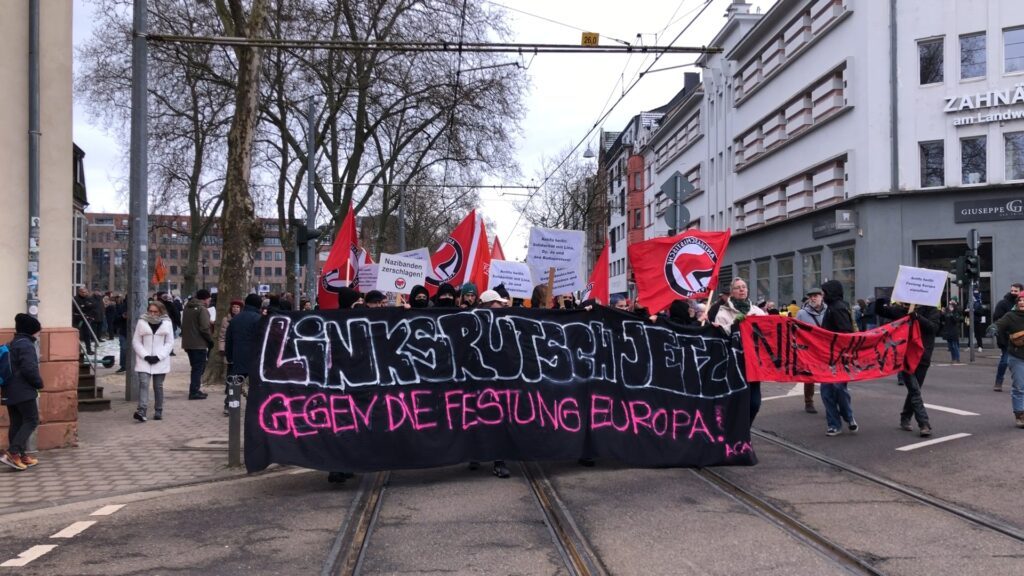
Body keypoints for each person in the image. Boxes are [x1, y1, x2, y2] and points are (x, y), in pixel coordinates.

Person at [882, 300, 939, 436]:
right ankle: (924, 424)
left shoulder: (931, 309)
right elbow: (881, 310)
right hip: (905, 357)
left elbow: (933, 328)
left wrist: (917, 317)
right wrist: (883, 299)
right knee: (914, 390)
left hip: (923, 357)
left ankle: (905, 417)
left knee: (915, 390)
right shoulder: (903, 310)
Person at [713, 278, 767, 423]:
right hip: (734, 364)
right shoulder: (723, 313)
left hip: (754, 363)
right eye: (737, 288)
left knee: (754, 404)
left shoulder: (757, 311)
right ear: (732, 292)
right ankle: (736, 434)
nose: (742, 289)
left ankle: (745, 431)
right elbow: (721, 337)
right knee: (736, 402)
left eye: (744, 287)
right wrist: (735, 324)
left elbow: (768, 334)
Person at [0, 314, 44, 471]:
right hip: (23, 390)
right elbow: (29, 368)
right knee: (31, 420)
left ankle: (21, 455)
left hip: (9, 390)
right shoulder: (26, 345)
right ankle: (13, 453)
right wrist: (39, 383)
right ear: (32, 331)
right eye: (38, 331)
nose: (39, 334)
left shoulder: (13, 343)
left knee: (17, 423)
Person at [819, 280, 858, 436]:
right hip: (829, 356)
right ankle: (834, 423)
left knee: (837, 388)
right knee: (827, 391)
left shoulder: (838, 308)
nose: (823, 295)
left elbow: (845, 333)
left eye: (824, 292)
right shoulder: (834, 307)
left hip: (838, 358)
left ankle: (847, 417)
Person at [131, 301, 174, 422]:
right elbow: (136, 341)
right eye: (150, 311)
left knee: (158, 386)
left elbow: (169, 342)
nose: (152, 314)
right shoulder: (142, 321)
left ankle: (158, 410)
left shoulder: (167, 323)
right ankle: (142, 410)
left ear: (161, 312)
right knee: (144, 384)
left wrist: (159, 356)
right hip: (144, 360)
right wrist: (145, 356)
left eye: (155, 311)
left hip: (160, 360)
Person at [225, 294, 263, 417]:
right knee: (255, 384)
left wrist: (229, 356)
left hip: (238, 355)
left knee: (236, 382)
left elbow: (229, 339)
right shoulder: (259, 319)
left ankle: (230, 405)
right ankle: (255, 407)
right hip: (255, 357)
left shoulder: (235, 319)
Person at [993, 291, 1024, 428]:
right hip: (1017, 357)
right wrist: (993, 328)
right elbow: (999, 324)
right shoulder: (1011, 316)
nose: (1022, 302)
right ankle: (1020, 415)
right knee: (1019, 386)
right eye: (1020, 300)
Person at [795, 287, 826, 414]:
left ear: (822, 296)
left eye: (816, 295)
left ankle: (829, 404)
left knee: (828, 376)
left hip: (825, 348)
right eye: (811, 296)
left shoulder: (828, 311)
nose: (813, 298)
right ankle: (809, 402)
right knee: (809, 377)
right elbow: (796, 330)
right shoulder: (802, 313)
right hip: (809, 349)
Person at [181, 288, 214, 400]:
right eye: (209, 299)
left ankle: (195, 389)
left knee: (195, 367)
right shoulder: (202, 310)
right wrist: (210, 340)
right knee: (198, 368)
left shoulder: (187, 307)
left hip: (188, 343)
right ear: (205, 299)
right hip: (199, 343)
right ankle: (194, 391)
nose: (209, 301)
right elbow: (205, 328)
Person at [992, 283, 1022, 392]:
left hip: (1021, 339)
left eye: (1016, 291)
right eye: (1012, 291)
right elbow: (997, 319)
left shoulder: (1021, 304)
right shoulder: (1003, 304)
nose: (1013, 293)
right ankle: (998, 382)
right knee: (1005, 360)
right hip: (1006, 338)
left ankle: (1019, 384)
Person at [73, 286, 98, 356]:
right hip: (78, 320)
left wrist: (91, 315)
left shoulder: (89, 298)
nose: (85, 294)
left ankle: (89, 350)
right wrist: (85, 306)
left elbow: (94, 306)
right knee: (77, 334)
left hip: (87, 319)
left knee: (87, 334)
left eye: (86, 292)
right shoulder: (76, 299)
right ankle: (76, 350)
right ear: (79, 292)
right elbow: (78, 308)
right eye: (83, 292)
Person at [939, 299, 964, 364]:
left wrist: (952, 312)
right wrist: (942, 313)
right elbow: (942, 320)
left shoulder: (956, 312)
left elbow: (956, 320)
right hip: (948, 330)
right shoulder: (947, 312)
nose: (950, 306)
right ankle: (953, 359)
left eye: (951, 305)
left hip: (954, 330)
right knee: (950, 346)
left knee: (954, 345)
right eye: (950, 305)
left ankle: (957, 359)